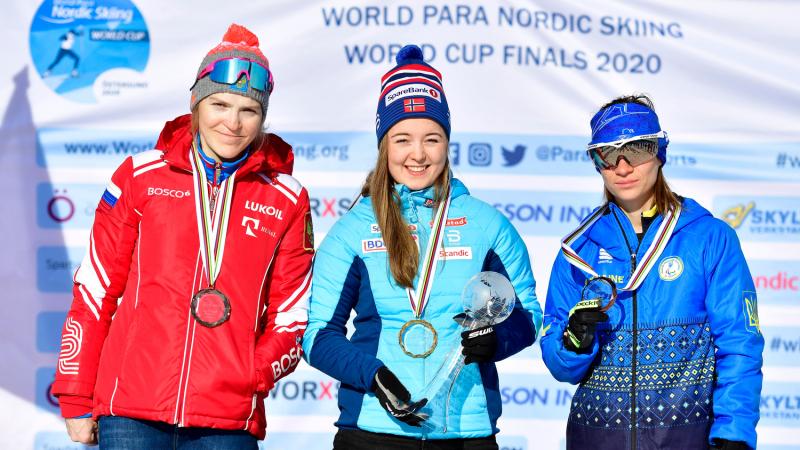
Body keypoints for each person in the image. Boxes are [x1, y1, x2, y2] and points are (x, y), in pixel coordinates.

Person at [52, 24, 313, 449]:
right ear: (196, 103)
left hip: (226, 418)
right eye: (220, 104)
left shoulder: (286, 198)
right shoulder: (140, 177)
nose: (232, 122)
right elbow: (96, 290)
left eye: (248, 110)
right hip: (130, 411)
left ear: (262, 117)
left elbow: (292, 314)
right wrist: (76, 395)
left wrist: (251, 373)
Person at [302, 45, 542, 450]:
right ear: (384, 145)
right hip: (372, 430)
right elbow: (317, 336)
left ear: (447, 143)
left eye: (432, 138)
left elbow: (529, 316)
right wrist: (371, 374)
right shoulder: (352, 230)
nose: (418, 154)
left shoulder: (487, 224)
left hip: (466, 433)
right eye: (402, 139)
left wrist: (497, 341)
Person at [540, 94, 764, 450]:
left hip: (685, 440)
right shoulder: (577, 252)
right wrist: (573, 344)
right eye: (608, 155)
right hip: (594, 440)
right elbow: (560, 366)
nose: (623, 166)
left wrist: (733, 434)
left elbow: (739, 344)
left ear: (660, 153)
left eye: (638, 149)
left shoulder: (709, 238)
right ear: (596, 162)